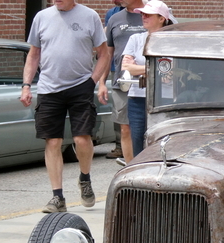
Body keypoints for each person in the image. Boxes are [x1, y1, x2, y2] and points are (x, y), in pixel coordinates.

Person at [20, 0, 109, 213]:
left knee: (82, 139)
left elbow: (104, 54)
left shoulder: (90, 16)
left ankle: (85, 179)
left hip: (81, 86)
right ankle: (57, 197)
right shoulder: (42, 17)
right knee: (52, 141)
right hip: (49, 88)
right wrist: (26, 86)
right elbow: (33, 55)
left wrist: (92, 81)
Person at [122, 1, 175, 157]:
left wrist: (138, 69)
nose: (143, 16)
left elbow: (169, 73)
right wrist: (156, 70)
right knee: (137, 138)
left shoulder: (172, 40)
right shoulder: (135, 39)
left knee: (161, 138)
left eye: (148, 14)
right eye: (142, 14)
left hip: (164, 97)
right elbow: (125, 67)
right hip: (137, 96)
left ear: (161, 18)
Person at [98, 0, 146, 165]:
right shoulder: (114, 18)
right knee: (125, 128)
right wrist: (102, 82)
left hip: (152, 83)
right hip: (123, 81)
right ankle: (130, 167)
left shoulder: (153, 14)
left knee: (147, 128)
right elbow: (108, 54)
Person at [103, 0, 126, 160]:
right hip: (116, 68)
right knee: (118, 110)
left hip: (138, 70)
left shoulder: (146, 11)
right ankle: (119, 146)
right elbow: (107, 43)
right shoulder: (112, 14)